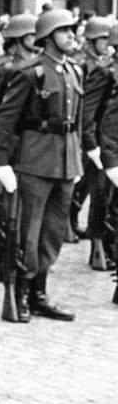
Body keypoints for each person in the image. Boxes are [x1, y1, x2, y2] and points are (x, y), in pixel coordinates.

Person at [0, 9, 82, 323]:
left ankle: (39, 293)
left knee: (54, 232)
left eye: (72, 30)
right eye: (64, 30)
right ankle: (21, 292)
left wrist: (78, 158)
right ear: (46, 36)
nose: (71, 35)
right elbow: (5, 120)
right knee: (28, 233)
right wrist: (0, 162)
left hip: (65, 161)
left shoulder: (74, 71)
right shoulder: (30, 71)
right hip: (34, 160)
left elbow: (77, 122)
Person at [0, 13, 37, 282]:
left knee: (21, 202)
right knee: (0, 202)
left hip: (25, 143)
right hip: (5, 141)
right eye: (32, 34)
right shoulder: (3, 67)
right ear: (19, 37)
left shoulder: (34, 66)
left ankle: (15, 254)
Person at [69, 15, 112, 244]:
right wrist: (88, 138)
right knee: (83, 182)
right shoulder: (88, 65)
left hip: (91, 132)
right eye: (103, 39)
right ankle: (70, 222)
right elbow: (86, 107)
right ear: (93, 40)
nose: (107, 43)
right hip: (87, 133)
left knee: (89, 184)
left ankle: (74, 222)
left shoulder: (96, 61)